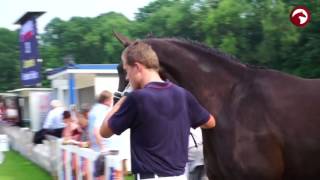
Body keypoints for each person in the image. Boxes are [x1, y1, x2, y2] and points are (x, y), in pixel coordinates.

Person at [100, 41, 216, 180]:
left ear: (137, 67)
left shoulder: (137, 99)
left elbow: (104, 131)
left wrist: (125, 96)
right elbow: (210, 122)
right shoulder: (183, 95)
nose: (126, 77)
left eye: (127, 70)